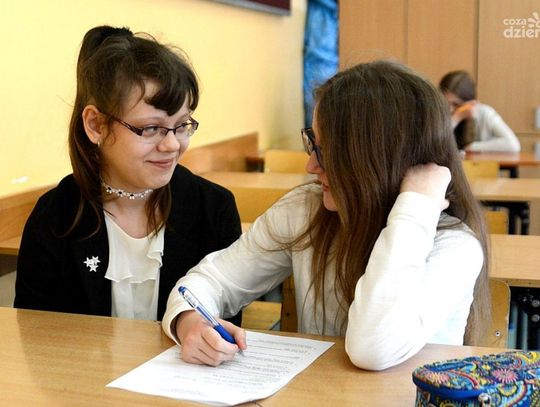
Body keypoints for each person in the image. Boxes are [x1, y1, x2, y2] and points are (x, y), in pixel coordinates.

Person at [162, 60, 490, 371]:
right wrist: (189, 322)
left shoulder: (454, 246)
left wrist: (414, 207)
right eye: (313, 144)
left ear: (375, 161)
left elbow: (372, 349)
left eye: (327, 151)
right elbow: (208, 282)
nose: (311, 166)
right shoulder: (306, 209)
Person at [14, 26, 242, 324]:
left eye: (182, 125)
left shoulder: (213, 208)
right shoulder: (55, 217)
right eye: (151, 128)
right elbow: (33, 333)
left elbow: (225, 324)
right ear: (96, 125)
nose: (172, 145)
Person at [439, 70, 520, 152]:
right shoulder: (438, 112)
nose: (450, 109)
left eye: (456, 104)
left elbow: (513, 145)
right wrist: (456, 118)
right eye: (445, 103)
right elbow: (435, 144)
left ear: (472, 103)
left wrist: (472, 147)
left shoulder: (485, 113)